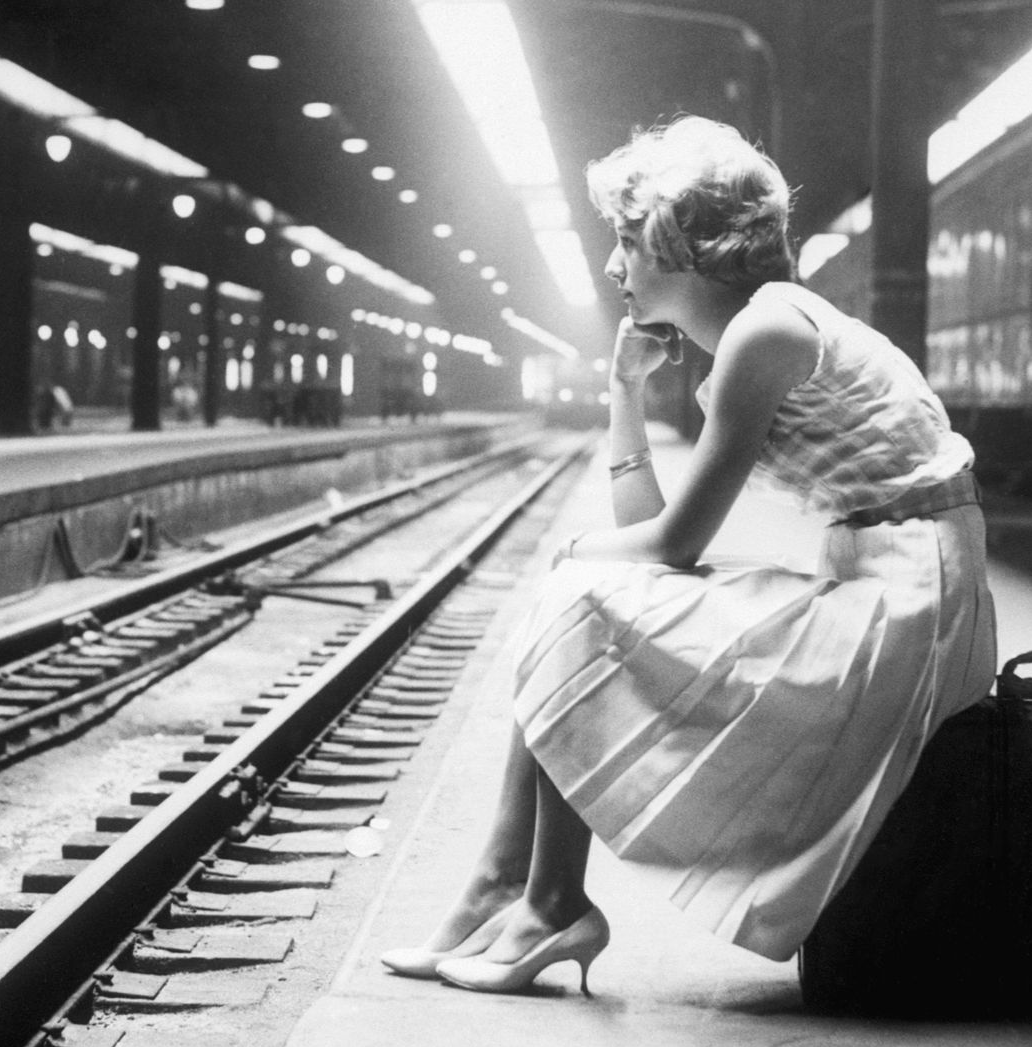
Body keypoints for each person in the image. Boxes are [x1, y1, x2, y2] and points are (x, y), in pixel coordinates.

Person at [381, 117, 997, 994]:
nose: (611, 265)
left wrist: (575, 554)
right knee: (588, 593)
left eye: (628, 240)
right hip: (887, 583)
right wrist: (625, 393)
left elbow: (671, 543)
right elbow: (658, 538)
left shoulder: (765, 335)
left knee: (582, 594)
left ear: (686, 245)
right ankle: (510, 891)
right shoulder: (765, 328)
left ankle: (543, 901)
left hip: (910, 611)